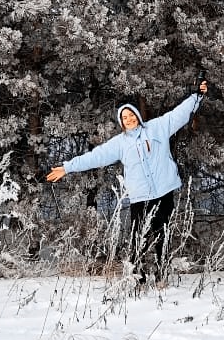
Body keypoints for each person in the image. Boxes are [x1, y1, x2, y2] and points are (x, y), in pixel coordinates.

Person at [47, 76, 208, 282]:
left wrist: (198, 95)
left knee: (162, 235)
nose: (129, 119)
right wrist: (68, 167)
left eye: (131, 114)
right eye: (124, 117)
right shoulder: (119, 143)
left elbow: (180, 113)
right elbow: (95, 156)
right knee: (137, 237)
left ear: (138, 116)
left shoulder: (158, 127)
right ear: (121, 123)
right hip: (140, 196)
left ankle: (161, 275)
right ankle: (136, 278)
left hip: (164, 191)